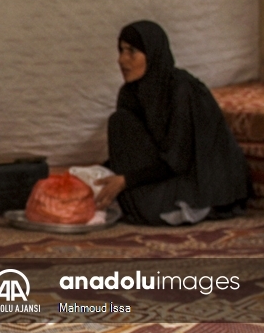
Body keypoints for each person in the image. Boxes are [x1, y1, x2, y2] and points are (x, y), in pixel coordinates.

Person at [94, 20, 250, 225]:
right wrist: (96, 175)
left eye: (131, 52)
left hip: (196, 179)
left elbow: (178, 160)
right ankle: (150, 206)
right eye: (121, 51)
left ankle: (175, 207)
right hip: (161, 175)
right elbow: (131, 152)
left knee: (140, 207)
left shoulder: (181, 89)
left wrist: (125, 181)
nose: (122, 60)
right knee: (120, 123)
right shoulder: (131, 93)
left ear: (152, 54)